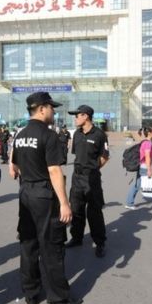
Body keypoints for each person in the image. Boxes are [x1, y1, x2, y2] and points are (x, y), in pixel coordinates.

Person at [9, 92, 82, 304]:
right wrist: (64, 203)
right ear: (41, 108)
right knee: (51, 245)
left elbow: (15, 167)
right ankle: (58, 299)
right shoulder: (48, 135)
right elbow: (54, 170)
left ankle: (31, 293)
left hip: (26, 192)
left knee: (28, 243)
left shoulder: (20, 135)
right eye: (51, 107)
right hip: (43, 194)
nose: (54, 111)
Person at [63, 105, 109, 257]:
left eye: (77, 115)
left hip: (92, 178)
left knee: (94, 211)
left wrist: (93, 169)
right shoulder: (77, 134)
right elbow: (77, 154)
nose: (75, 118)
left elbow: (104, 156)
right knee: (76, 209)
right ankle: (77, 238)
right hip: (77, 177)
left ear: (86, 116)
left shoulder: (99, 134)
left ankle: (100, 242)